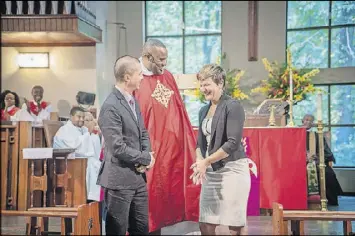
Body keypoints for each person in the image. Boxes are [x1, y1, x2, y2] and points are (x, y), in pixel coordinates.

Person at [134, 39, 200, 233]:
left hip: (162, 150)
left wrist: (180, 145)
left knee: (158, 201)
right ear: (146, 57)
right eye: (160, 59)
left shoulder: (165, 78)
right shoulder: (133, 76)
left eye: (166, 59)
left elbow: (173, 113)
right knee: (141, 206)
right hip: (139, 151)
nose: (164, 64)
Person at [97, 55, 155, 235]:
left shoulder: (132, 101)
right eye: (139, 74)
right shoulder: (111, 106)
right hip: (119, 180)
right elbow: (117, 147)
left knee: (141, 229)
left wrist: (146, 156)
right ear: (127, 77)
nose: (142, 77)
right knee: (118, 230)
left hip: (137, 178)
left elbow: (142, 132)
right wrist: (145, 157)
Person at [190, 64, 250, 235]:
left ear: (220, 82)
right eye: (201, 84)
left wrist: (206, 161)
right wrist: (200, 161)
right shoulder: (203, 110)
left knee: (234, 225)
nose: (203, 89)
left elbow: (232, 143)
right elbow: (199, 144)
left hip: (233, 169)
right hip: (211, 171)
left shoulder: (233, 106)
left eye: (206, 84)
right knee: (206, 223)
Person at [53, 106, 102, 202]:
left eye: (83, 117)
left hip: (78, 160)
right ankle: (90, 198)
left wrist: (90, 134)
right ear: (71, 116)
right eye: (78, 116)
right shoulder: (65, 129)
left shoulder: (81, 129)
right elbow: (73, 146)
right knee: (92, 166)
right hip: (67, 163)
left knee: (96, 164)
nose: (81, 119)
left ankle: (96, 197)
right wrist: (88, 133)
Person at [302, 114, 343, 206]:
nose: (308, 122)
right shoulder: (295, 134)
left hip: (316, 163)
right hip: (300, 163)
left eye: (311, 121)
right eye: (306, 120)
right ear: (302, 121)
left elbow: (326, 152)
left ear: (313, 124)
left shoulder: (317, 136)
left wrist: (317, 158)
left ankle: (330, 202)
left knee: (329, 174)